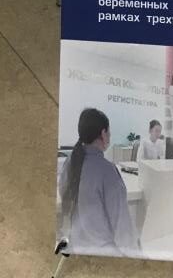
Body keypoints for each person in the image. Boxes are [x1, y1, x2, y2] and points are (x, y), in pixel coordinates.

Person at [59, 108, 138, 256]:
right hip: (103, 253)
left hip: (75, 248)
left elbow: (63, 192)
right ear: (103, 133)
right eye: (109, 132)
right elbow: (123, 230)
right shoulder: (108, 171)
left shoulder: (70, 162)